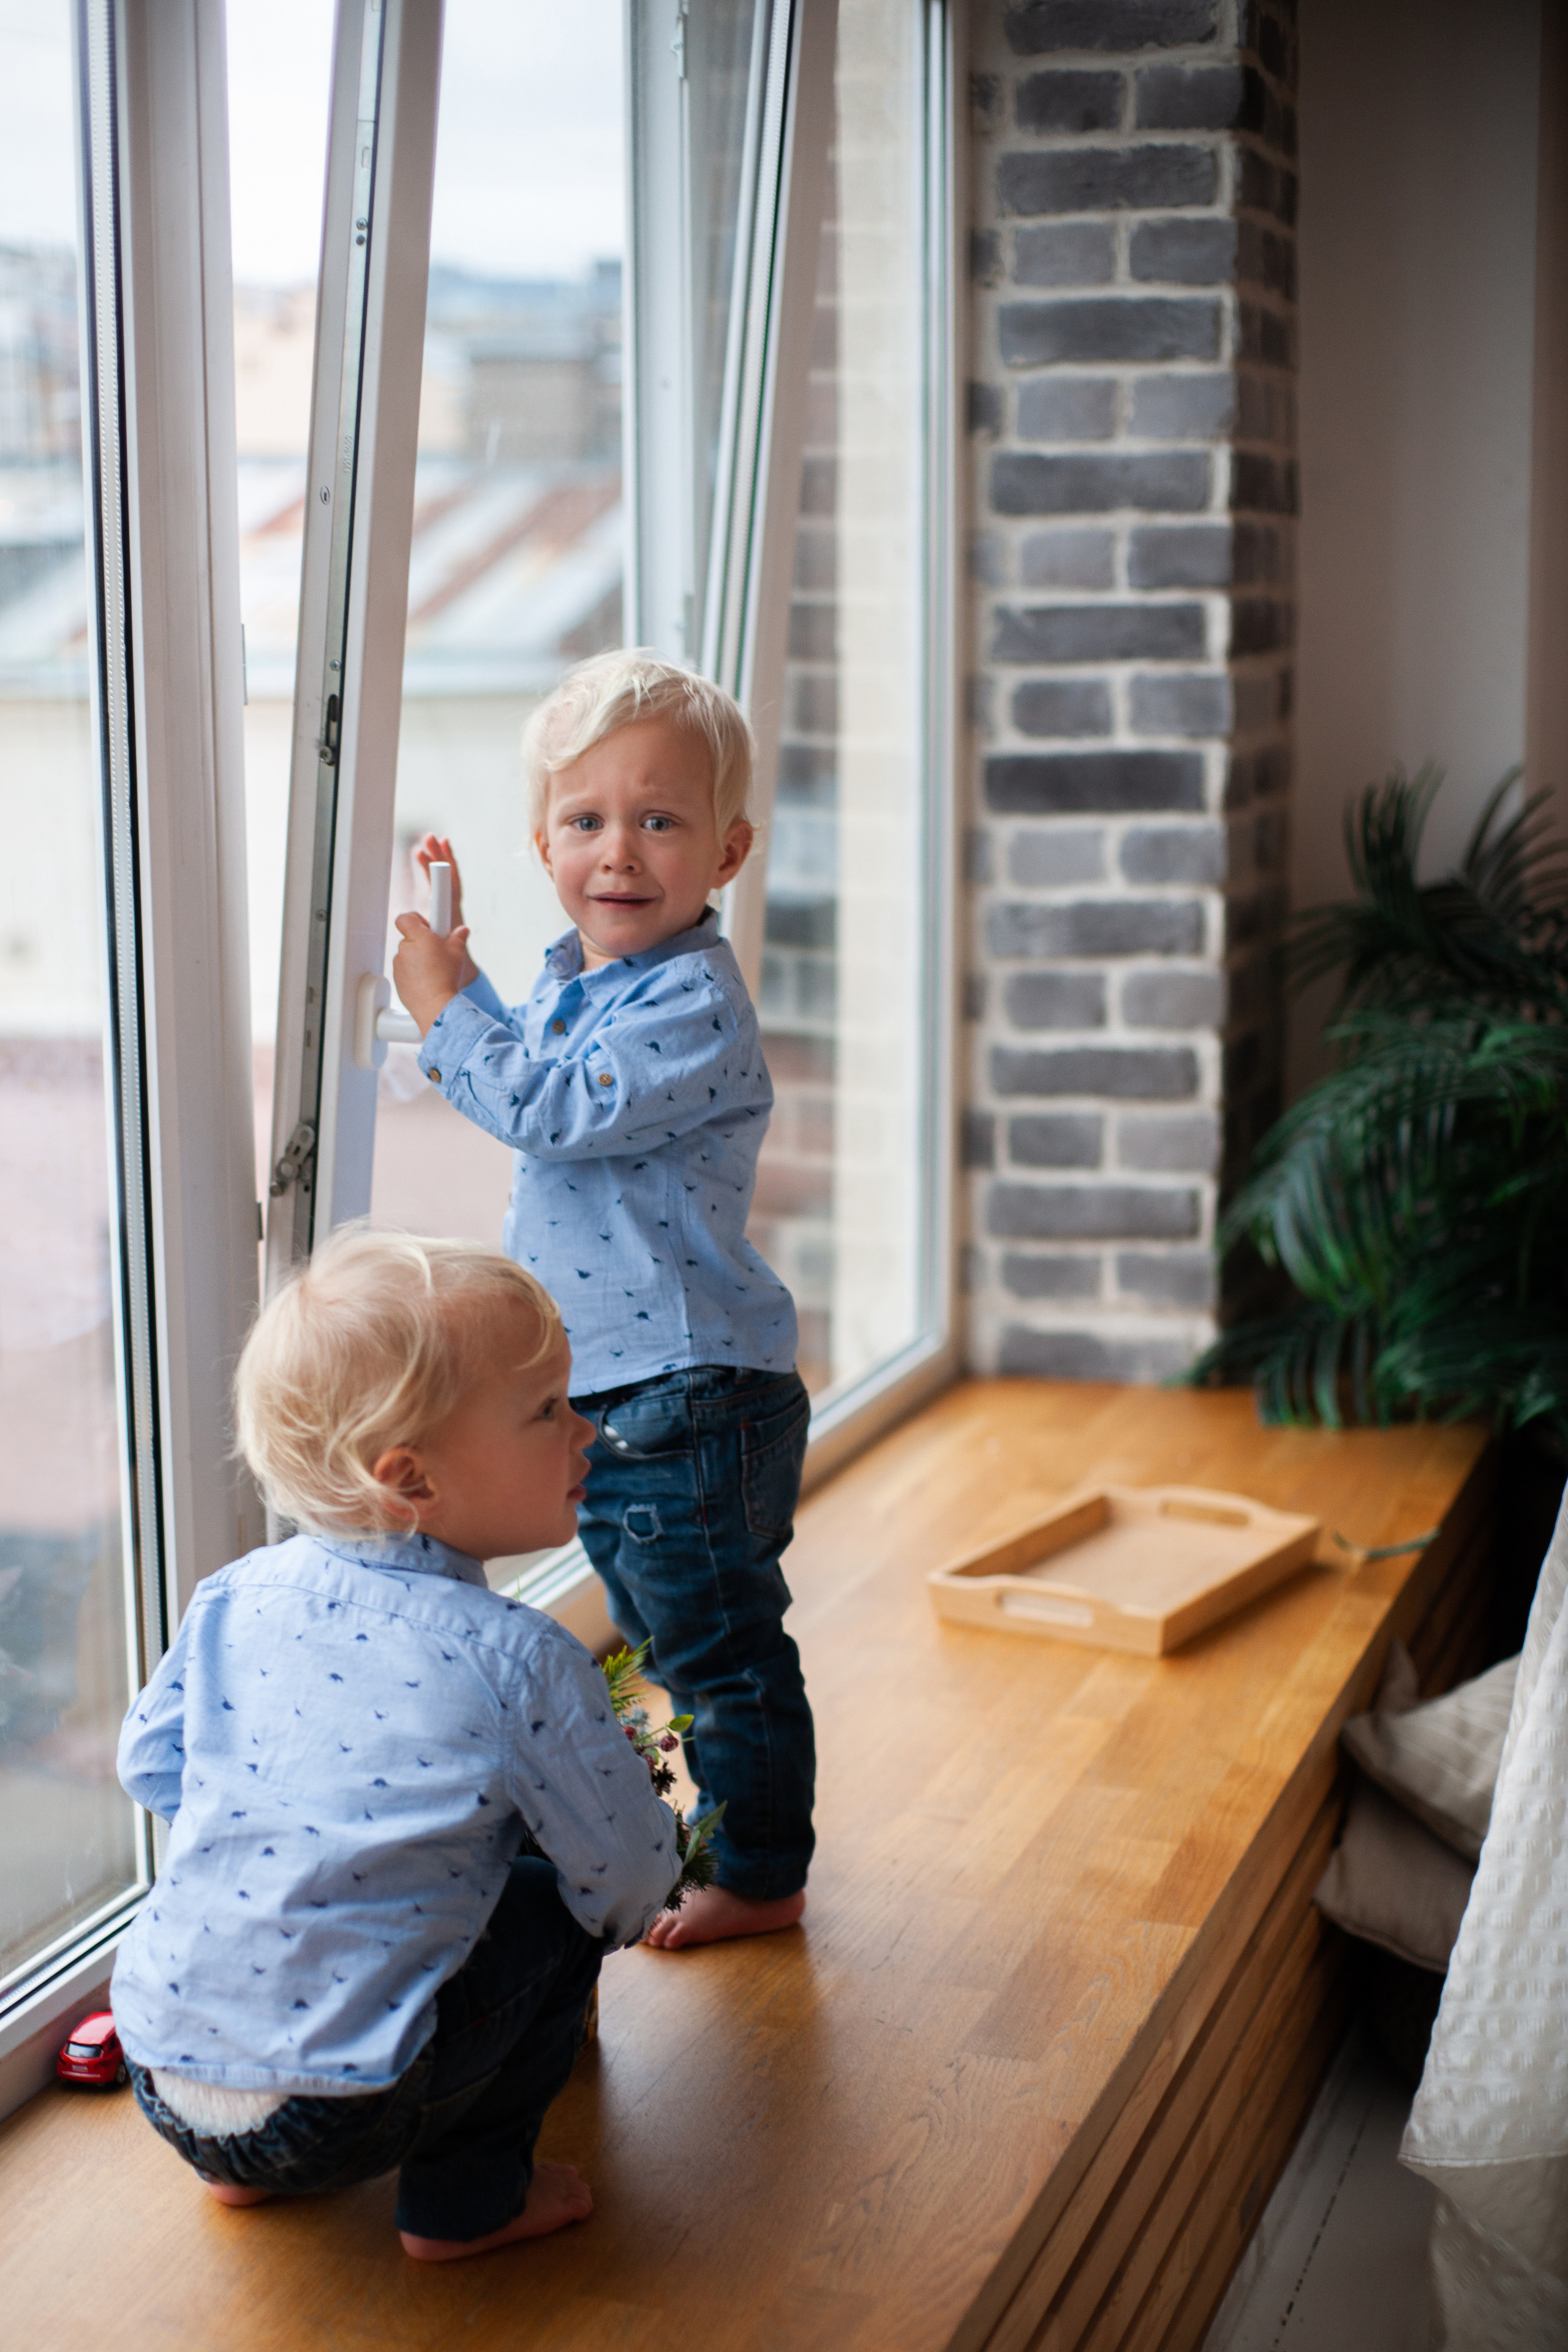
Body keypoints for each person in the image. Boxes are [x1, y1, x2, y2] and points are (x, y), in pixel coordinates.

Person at [111, 1227, 680, 2260]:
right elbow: (633, 1875)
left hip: (161, 2073)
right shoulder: (522, 1660)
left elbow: (151, 1762)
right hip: (347, 2110)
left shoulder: (236, 1594)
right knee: (559, 1911)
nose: (586, 1430)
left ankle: (234, 2164)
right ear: (409, 1478)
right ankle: (468, 2203)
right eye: (548, 1409)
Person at [391, 649, 814, 1952]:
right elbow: (524, 1071)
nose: (617, 853)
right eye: (585, 822)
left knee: (720, 1652)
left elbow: (545, 1109)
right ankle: (678, 1834)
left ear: (726, 850)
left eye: (658, 821)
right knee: (667, 1632)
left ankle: (758, 1869)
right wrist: (468, 995)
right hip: (630, 1388)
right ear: (540, 842)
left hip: (690, 1391)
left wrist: (450, 1010)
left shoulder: (690, 1002)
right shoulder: (586, 982)